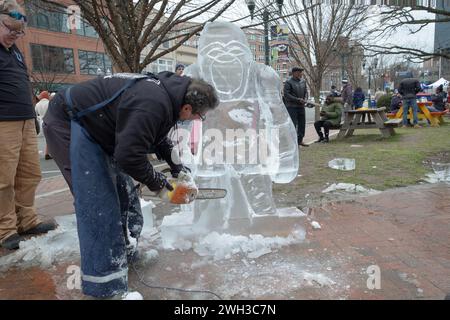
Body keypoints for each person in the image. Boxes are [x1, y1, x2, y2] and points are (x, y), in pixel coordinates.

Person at [43, 71, 219, 299]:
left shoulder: (166, 96)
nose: (198, 120)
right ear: (188, 108)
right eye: (200, 116)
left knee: (125, 193)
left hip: (98, 128)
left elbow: (157, 138)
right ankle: (105, 287)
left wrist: (179, 169)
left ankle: (125, 250)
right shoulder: (154, 102)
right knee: (99, 203)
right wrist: (163, 187)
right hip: (70, 122)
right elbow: (129, 157)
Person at [0, 0, 56, 251]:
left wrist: (32, 118)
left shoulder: (16, 52)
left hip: (24, 119)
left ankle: (26, 220)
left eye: (19, 31)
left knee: (30, 174)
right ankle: (5, 229)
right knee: (3, 179)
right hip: (3, 123)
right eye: (10, 28)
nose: (15, 34)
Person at [284, 67, 309, 147]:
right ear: (294, 73)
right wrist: (297, 99)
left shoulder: (303, 81)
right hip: (292, 106)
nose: (301, 74)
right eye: (299, 72)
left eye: (301, 72)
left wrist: (305, 99)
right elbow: (287, 95)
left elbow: (306, 92)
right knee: (293, 125)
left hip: (301, 106)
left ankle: (300, 140)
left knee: (302, 124)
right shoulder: (288, 82)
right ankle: (291, 142)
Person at [35, 90, 52, 159]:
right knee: (49, 138)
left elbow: (35, 114)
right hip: (49, 121)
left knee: (43, 138)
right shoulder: (49, 103)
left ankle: (46, 153)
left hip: (41, 121)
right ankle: (47, 153)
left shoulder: (37, 104)